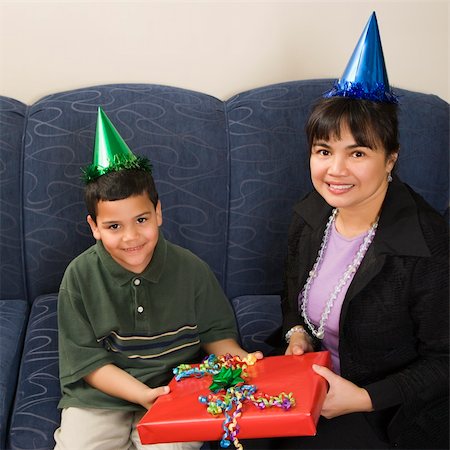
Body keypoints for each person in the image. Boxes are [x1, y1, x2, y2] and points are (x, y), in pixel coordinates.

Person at [249, 12, 449, 450]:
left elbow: (444, 361)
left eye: (357, 153)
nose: (335, 170)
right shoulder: (309, 216)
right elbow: (292, 300)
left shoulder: (428, 245)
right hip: (309, 382)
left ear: (390, 158)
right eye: (324, 150)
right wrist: (296, 334)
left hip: (384, 409)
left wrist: (362, 397)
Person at [54, 108, 260, 450]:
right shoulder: (79, 276)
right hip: (100, 396)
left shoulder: (192, 270)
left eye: (141, 220)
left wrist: (242, 361)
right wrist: (142, 395)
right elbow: (88, 363)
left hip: (175, 389)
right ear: (94, 228)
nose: (131, 237)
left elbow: (217, 336)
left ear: (158, 213)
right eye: (114, 226)